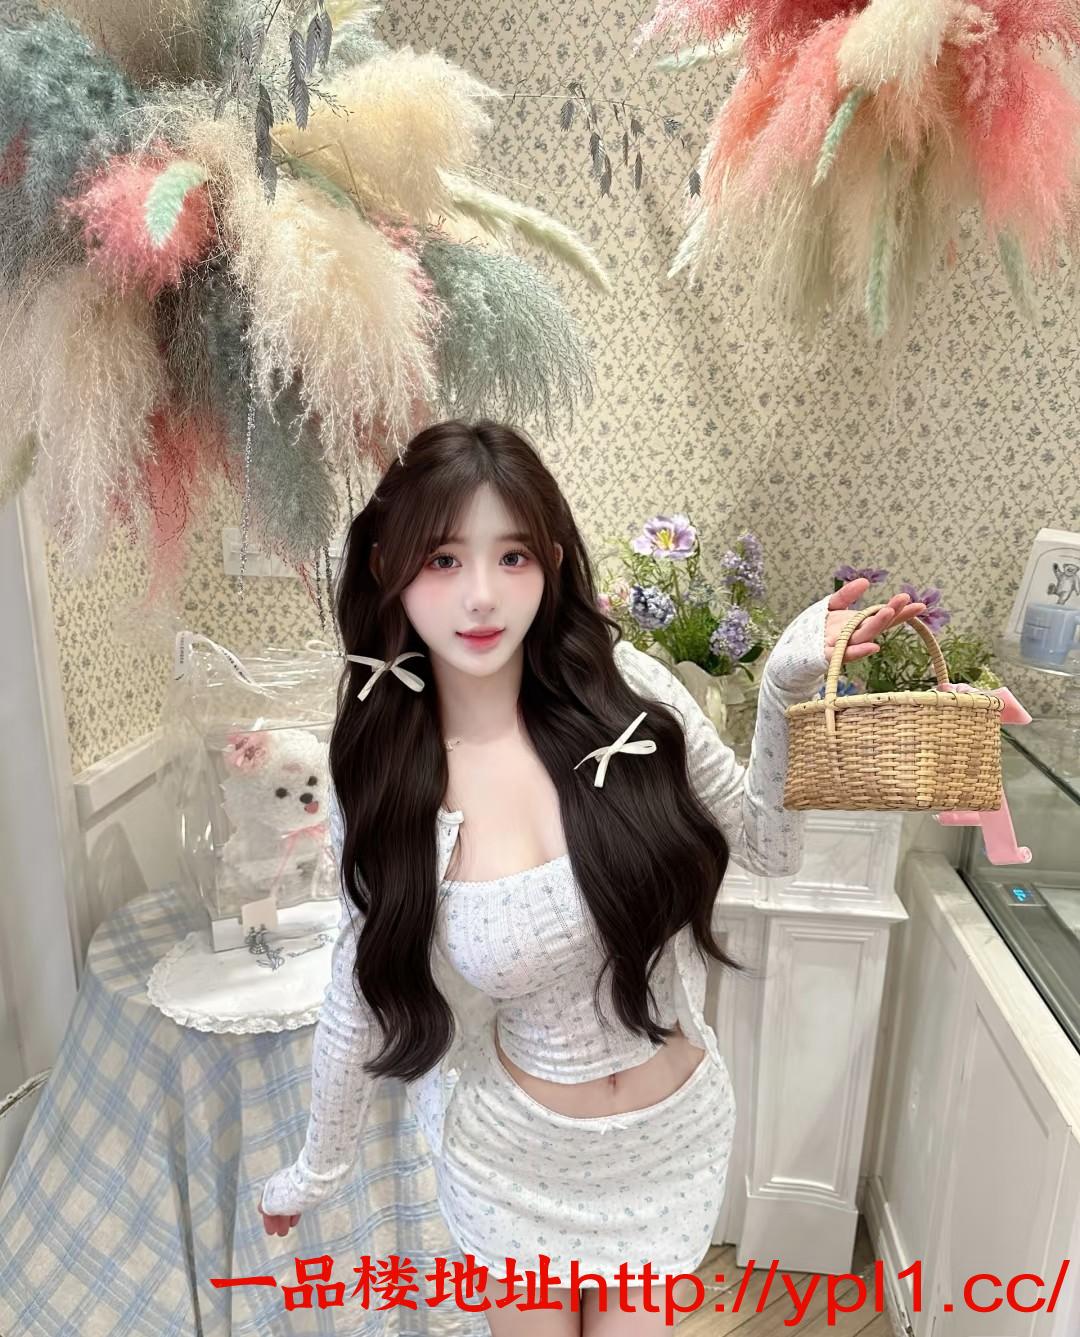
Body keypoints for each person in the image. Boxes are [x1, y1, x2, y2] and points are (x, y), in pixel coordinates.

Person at [257, 418, 926, 1334]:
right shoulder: (381, 774)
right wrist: (315, 1168)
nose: (482, 595)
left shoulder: (628, 692)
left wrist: (783, 692)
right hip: (514, 1164)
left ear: (555, 562)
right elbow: (356, 986)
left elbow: (768, 848)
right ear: (388, 567)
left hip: (670, 1146)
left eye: (514, 556)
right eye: (444, 559)